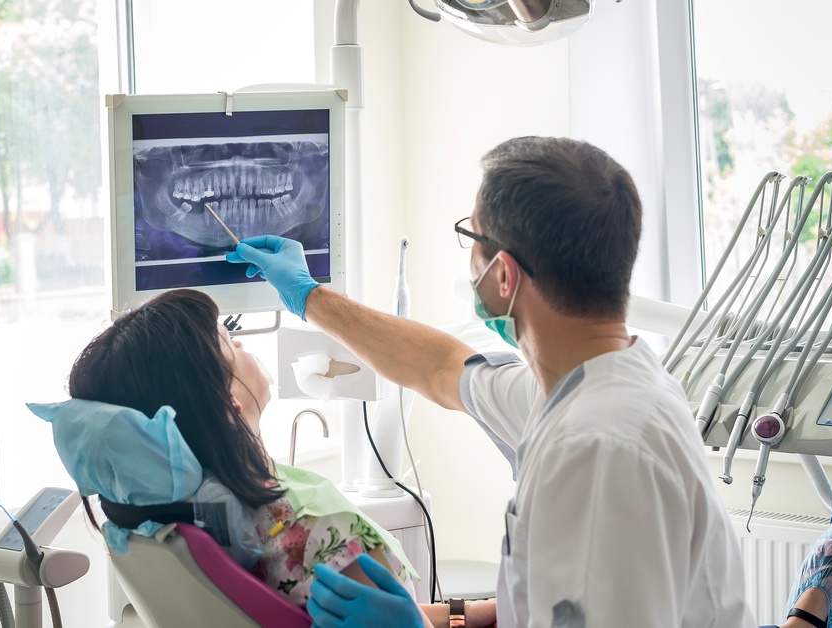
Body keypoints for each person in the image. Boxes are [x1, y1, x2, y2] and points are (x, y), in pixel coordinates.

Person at [225, 136, 764, 627]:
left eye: (471, 237)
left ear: (504, 275)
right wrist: (308, 295)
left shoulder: (595, 452)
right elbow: (437, 367)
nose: (469, 255)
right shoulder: (585, 385)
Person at [38, 288, 497, 628]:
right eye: (229, 343)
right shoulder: (311, 531)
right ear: (227, 400)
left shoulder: (174, 523)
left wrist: (470, 614)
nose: (242, 347)